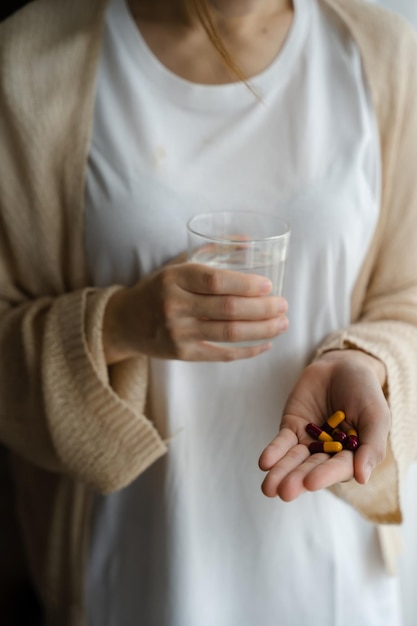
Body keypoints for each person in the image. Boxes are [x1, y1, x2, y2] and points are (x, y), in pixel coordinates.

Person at [1, 0, 417, 625]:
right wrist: (116, 325)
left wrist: (368, 365)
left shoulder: (382, 50)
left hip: (333, 576)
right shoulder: (30, 56)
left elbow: (408, 297)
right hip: (136, 573)